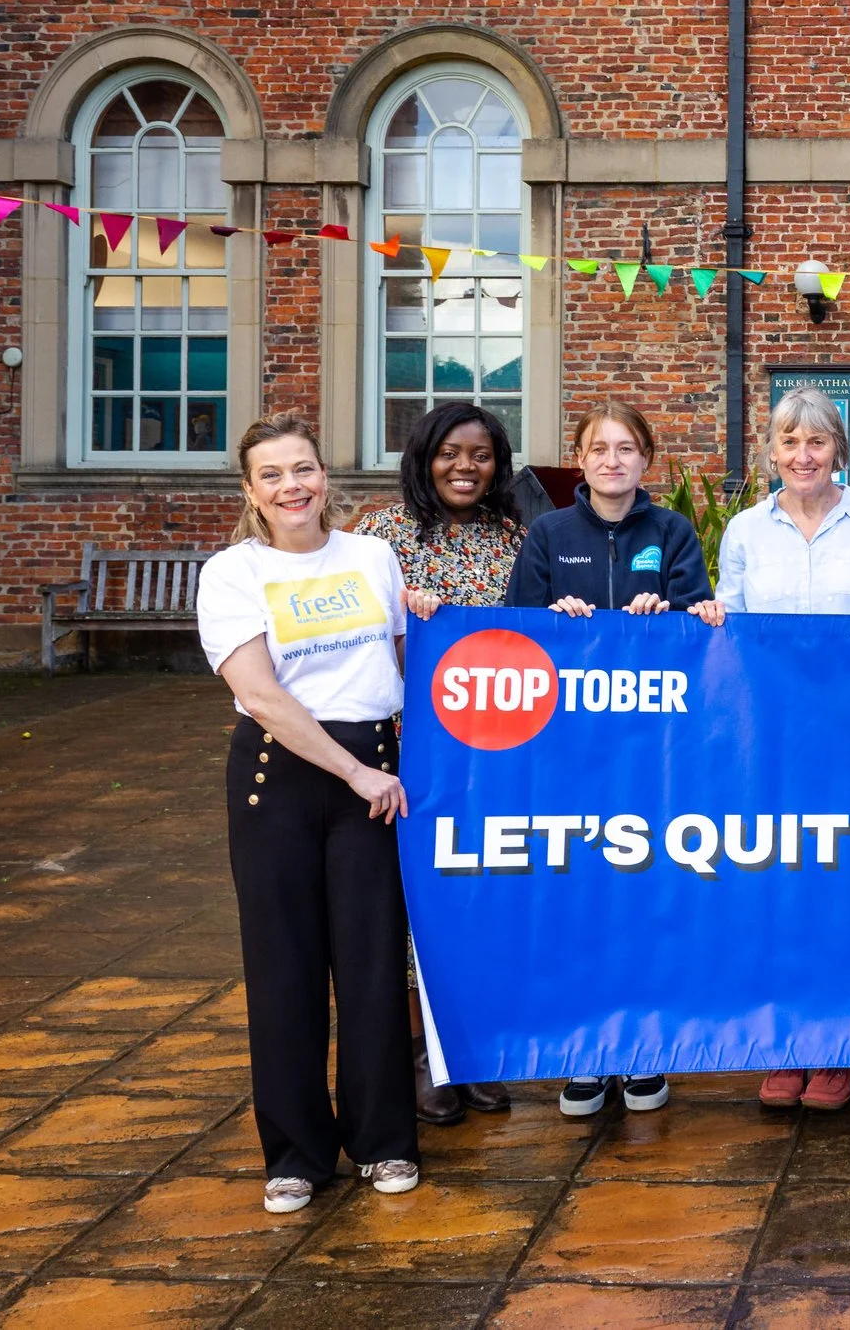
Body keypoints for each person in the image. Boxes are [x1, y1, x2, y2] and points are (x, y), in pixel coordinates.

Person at [195, 413, 418, 1216]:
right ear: (250, 491)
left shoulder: (373, 555)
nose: (293, 486)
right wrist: (355, 771)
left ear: (326, 475)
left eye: (304, 469)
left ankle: (385, 1140)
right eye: (273, 474)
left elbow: (402, 658)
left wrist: (425, 611)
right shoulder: (231, 572)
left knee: (371, 964)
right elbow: (258, 693)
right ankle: (295, 1153)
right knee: (284, 968)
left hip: (376, 774)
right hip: (279, 776)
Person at [690, 386, 850, 1112]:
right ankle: (785, 1041)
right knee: (778, 884)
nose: (803, 455)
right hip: (772, 736)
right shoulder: (747, 531)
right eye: (790, 443)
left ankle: (838, 1048)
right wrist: (717, 613)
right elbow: (734, 620)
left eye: (816, 443)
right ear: (772, 452)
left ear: (837, 450)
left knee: (842, 886)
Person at [506, 401, 710, 1119]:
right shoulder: (549, 533)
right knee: (577, 897)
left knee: (647, 893)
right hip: (571, 753)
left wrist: (676, 615)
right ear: (581, 459)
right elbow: (517, 634)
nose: (614, 460)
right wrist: (550, 623)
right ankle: (585, 1053)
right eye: (600, 449)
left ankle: (644, 1049)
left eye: (628, 449)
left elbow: (705, 627)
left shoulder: (673, 530)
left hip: (654, 754)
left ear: (646, 460)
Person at [355, 402, 527, 1127]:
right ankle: (423, 1058)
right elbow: (354, 635)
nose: (466, 466)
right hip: (405, 745)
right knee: (407, 903)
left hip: (494, 748)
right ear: (424, 456)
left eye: (481, 455)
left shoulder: (517, 537)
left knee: (476, 894)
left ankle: (471, 1048)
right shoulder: (380, 538)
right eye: (451, 452)